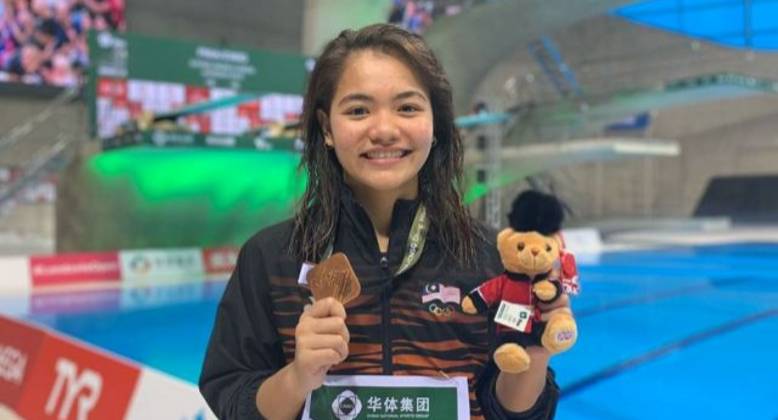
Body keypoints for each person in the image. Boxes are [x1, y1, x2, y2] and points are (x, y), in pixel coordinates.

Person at [199, 23, 572, 419]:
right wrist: (298, 376)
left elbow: (515, 414)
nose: (384, 130)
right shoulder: (272, 257)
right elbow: (233, 400)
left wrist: (534, 352)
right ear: (326, 128)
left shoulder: (489, 258)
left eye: (407, 107)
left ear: (435, 123)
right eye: (358, 110)